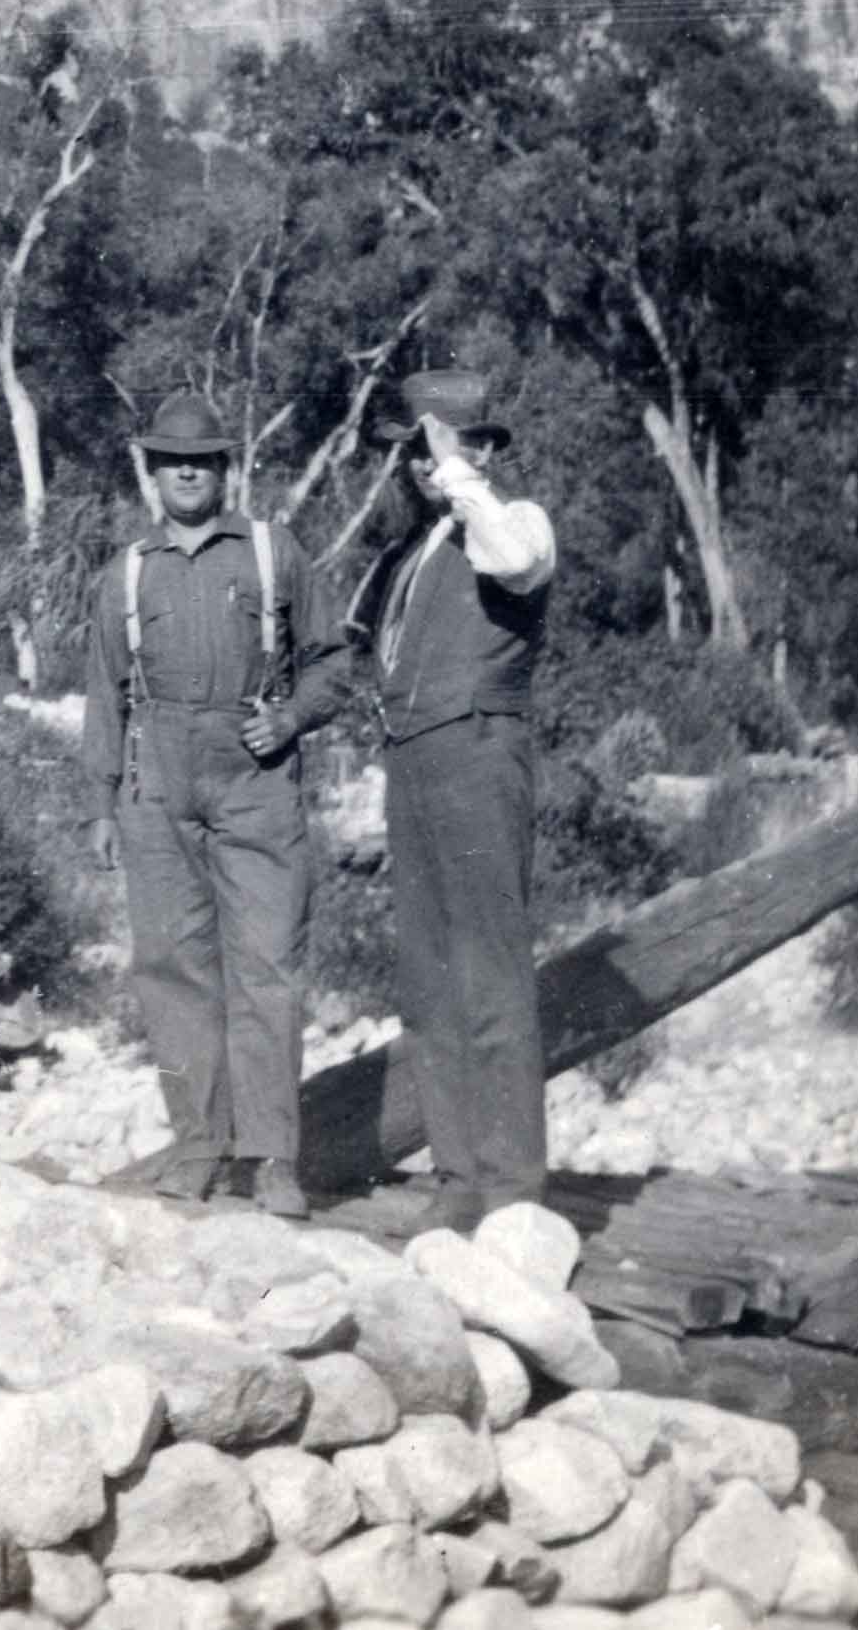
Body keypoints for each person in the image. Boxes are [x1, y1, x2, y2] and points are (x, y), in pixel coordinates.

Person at [79, 390, 346, 1215]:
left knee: (265, 965)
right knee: (172, 967)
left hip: (255, 780)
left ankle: (270, 1156)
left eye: (201, 459)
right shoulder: (124, 574)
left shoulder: (274, 553)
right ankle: (199, 1144)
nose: (186, 472)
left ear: (225, 469)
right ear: (152, 475)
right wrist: (99, 805)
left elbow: (332, 662)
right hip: (155, 786)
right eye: (170, 461)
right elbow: (103, 697)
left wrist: (292, 716)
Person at [348, 368, 558, 1231]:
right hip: (415, 766)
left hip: (478, 755)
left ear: (471, 448)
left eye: (427, 450)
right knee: (430, 980)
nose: (418, 469)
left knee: (489, 971)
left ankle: (511, 1188)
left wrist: (454, 466)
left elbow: (512, 560)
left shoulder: (514, 524)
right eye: (413, 455)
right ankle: (459, 1175)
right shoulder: (410, 552)